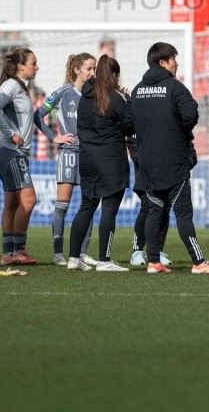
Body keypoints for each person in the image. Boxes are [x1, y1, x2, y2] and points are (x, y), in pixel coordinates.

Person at [131, 42, 209, 274]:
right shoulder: (175, 87)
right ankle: (199, 261)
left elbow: (127, 123)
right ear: (163, 62)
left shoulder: (137, 90)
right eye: (174, 58)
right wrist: (176, 130)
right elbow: (190, 114)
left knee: (154, 210)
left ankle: (153, 260)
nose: (177, 63)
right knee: (183, 213)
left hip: (147, 163)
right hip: (173, 161)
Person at [67, 55, 134, 272]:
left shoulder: (84, 97)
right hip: (111, 160)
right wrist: (128, 100)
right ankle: (104, 260)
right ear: (114, 74)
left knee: (86, 207)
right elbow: (129, 126)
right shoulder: (116, 98)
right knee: (109, 210)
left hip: (87, 159)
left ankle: (73, 258)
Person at [34, 53, 97, 266]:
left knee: (88, 204)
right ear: (77, 69)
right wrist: (54, 137)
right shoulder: (63, 92)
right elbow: (38, 115)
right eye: (89, 68)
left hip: (89, 155)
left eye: (94, 69)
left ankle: (81, 252)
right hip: (69, 153)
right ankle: (58, 254)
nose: (92, 73)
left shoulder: (95, 94)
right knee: (62, 205)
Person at [0, 48, 41, 265]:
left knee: (11, 204)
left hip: (10, 153)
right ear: (21, 67)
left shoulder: (21, 86)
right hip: (11, 152)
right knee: (29, 200)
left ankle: (7, 253)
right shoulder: (12, 84)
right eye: (33, 63)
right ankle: (19, 251)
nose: (37, 66)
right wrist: (11, 133)